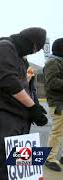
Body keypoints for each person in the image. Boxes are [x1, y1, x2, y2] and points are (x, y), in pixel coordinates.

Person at [0, 27, 48, 180]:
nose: (32, 52)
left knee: (21, 171)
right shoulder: (4, 47)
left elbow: (23, 85)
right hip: (1, 117)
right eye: (34, 48)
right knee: (3, 168)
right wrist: (32, 107)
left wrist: (34, 104)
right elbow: (9, 82)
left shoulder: (21, 58)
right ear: (27, 41)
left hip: (18, 119)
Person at [43, 38, 63, 172]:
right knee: (57, 132)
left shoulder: (59, 62)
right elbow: (52, 83)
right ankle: (49, 159)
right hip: (58, 104)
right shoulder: (52, 62)